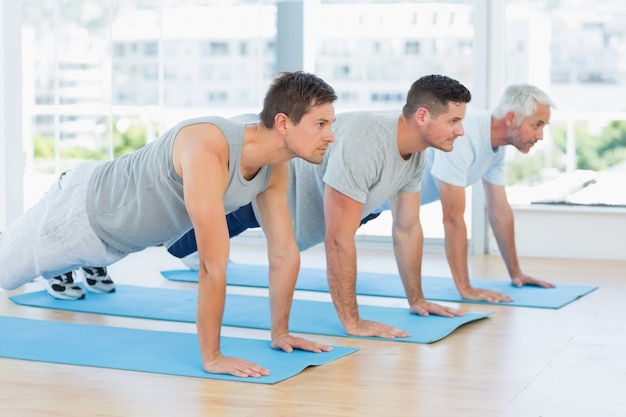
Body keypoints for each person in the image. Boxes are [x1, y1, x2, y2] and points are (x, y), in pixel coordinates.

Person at [0, 71, 338, 378]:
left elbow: (283, 252)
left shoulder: (274, 167)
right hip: (78, 215)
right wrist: (213, 357)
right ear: (283, 122)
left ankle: (63, 267)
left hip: (117, 240)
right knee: (4, 273)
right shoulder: (210, 146)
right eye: (320, 124)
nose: (331, 136)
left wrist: (280, 332)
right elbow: (211, 266)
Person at [168, 74, 472, 339]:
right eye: (453, 121)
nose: (460, 131)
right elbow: (338, 241)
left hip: (286, 206)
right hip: (258, 190)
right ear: (422, 117)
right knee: (166, 235)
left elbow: (407, 228)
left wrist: (417, 300)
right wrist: (353, 322)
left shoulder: (415, 154)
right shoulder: (366, 143)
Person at [367, 83, 557, 302]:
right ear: (511, 118)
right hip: (365, 197)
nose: (541, 135)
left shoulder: (496, 149)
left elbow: (500, 213)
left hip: (377, 204)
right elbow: (452, 219)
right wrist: (465, 289)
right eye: (537, 125)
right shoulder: (464, 136)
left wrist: (516, 274)